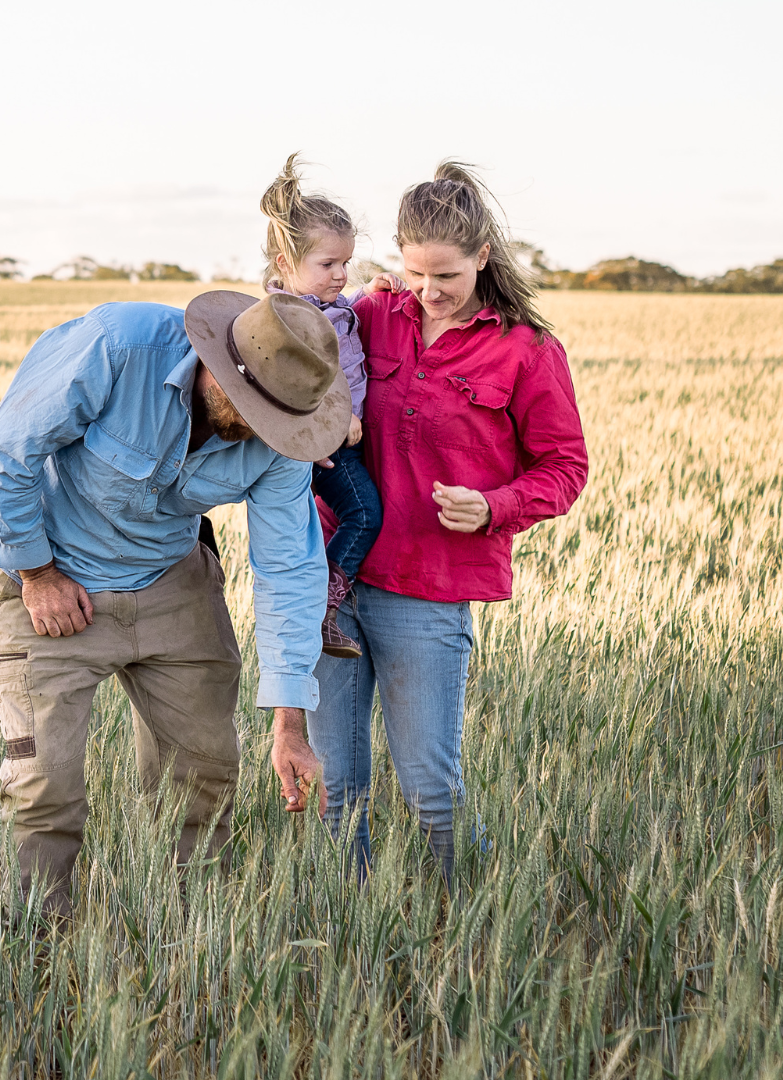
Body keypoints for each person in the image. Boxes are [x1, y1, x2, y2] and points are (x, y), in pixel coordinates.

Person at [0, 290, 350, 919]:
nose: (266, 432)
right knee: (45, 786)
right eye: (256, 410)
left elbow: (288, 571)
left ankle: (185, 933)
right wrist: (37, 574)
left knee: (204, 776)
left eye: (280, 421)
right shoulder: (119, 345)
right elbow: (6, 452)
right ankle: (36, 948)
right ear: (220, 364)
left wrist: (291, 723)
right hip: (53, 574)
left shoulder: (288, 439)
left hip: (171, 581)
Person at [309, 162, 589, 887]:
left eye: (447, 278)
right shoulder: (371, 316)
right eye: (414, 275)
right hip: (331, 583)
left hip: (427, 593)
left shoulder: (527, 351)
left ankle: (467, 926)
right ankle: (351, 927)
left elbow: (565, 468)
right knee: (337, 792)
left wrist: (494, 506)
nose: (428, 294)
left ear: (483, 258)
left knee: (431, 791)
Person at [258, 153, 389, 660]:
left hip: (336, 441)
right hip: (323, 447)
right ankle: (323, 612)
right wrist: (333, 422)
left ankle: (318, 608)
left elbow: (335, 321)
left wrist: (364, 294)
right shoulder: (284, 319)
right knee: (362, 515)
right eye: (328, 264)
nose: (340, 274)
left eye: (345, 264)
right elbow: (287, 389)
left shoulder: (320, 305)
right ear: (285, 265)